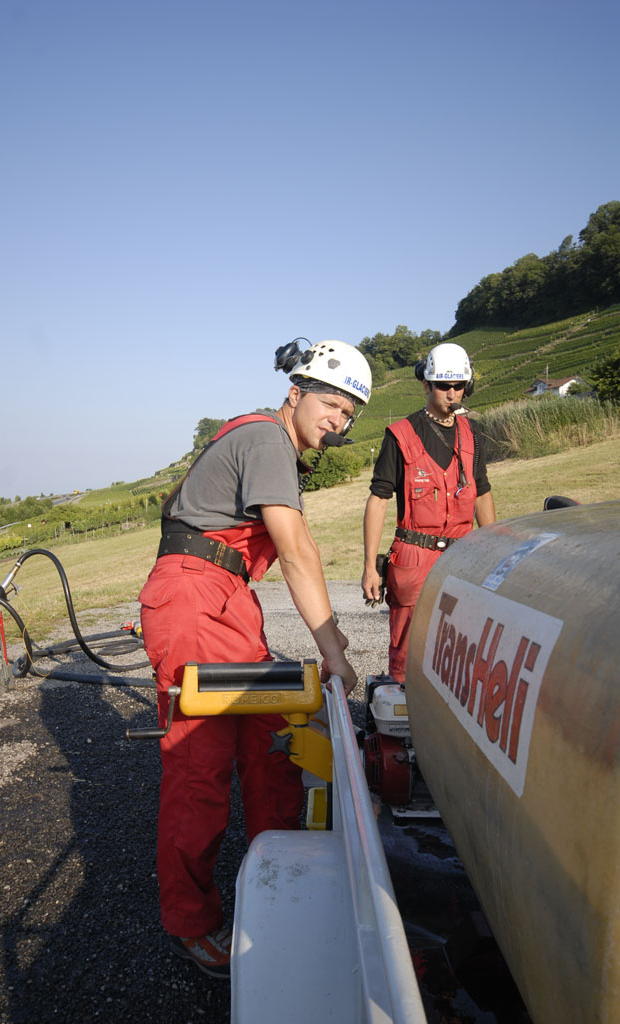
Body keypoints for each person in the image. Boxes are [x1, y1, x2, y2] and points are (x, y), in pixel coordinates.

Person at [138, 339, 372, 979]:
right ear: (295, 391)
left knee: (273, 740)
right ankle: (193, 921)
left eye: (350, 413)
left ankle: (285, 884)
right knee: (200, 766)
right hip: (193, 593)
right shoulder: (269, 439)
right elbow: (297, 551)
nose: (339, 420)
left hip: (227, 595)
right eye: (332, 403)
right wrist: (334, 649)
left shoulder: (276, 447)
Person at [361, 342, 495, 683]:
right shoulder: (400, 435)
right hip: (414, 554)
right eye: (443, 385)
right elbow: (378, 500)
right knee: (407, 651)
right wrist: (368, 568)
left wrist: (494, 550)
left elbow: (481, 491)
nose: (452, 393)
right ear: (427, 386)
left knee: (464, 642)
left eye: (458, 386)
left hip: (464, 554)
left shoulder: (474, 434)